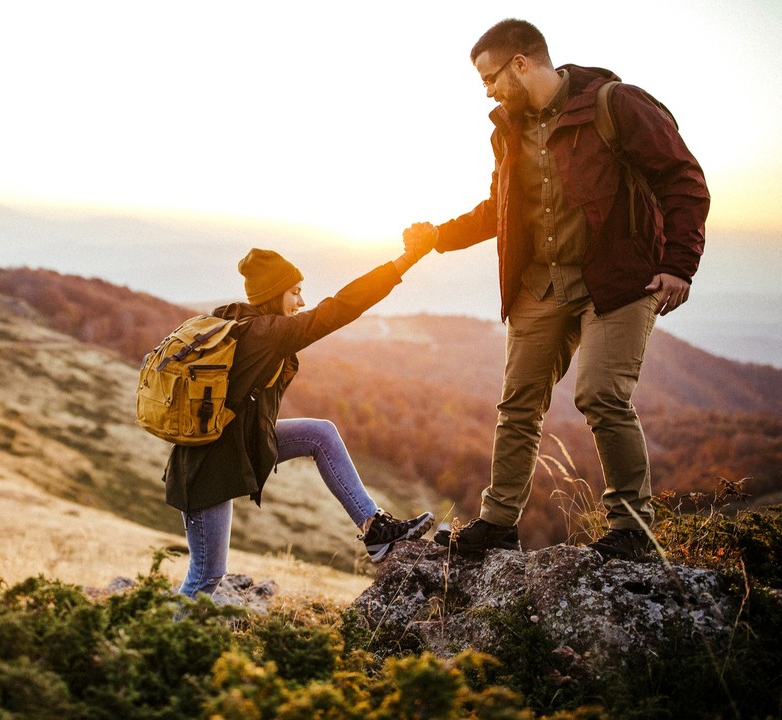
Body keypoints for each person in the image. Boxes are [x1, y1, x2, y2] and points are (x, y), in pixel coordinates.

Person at [402, 19, 710, 560]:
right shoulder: (508, 130)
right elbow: (499, 209)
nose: (489, 92)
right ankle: (498, 523)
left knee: (600, 393)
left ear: (521, 63)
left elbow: (683, 178)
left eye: (490, 78)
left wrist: (679, 264)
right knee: (517, 403)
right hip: (540, 285)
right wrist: (436, 239)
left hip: (616, 280)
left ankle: (633, 528)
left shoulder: (616, 104)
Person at [165, 246, 435, 599]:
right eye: (294, 292)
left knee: (319, 433)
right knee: (205, 577)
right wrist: (401, 263)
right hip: (206, 470)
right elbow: (341, 307)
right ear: (273, 294)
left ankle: (374, 529)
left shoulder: (236, 319)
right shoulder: (267, 334)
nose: (302, 301)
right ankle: (159, 648)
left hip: (237, 447)